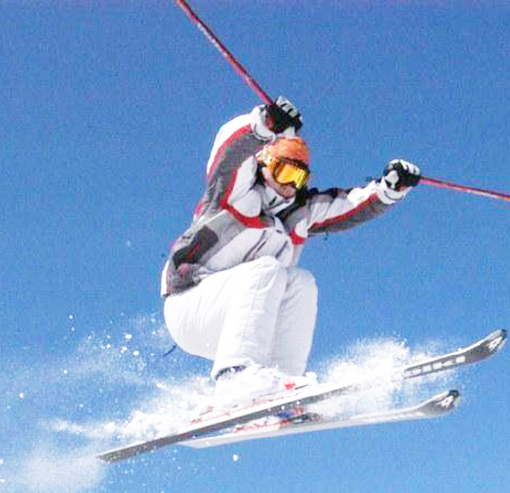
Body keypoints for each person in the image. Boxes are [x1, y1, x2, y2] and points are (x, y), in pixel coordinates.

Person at [161, 96, 420, 407]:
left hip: (235, 328)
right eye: (285, 173)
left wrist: (388, 190)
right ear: (266, 164)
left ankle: (281, 388)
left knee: (300, 282)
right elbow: (227, 157)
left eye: (299, 179)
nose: (291, 186)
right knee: (267, 269)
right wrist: (262, 126)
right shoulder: (233, 196)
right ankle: (236, 378)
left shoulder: (297, 216)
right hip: (190, 306)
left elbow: (348, 206)